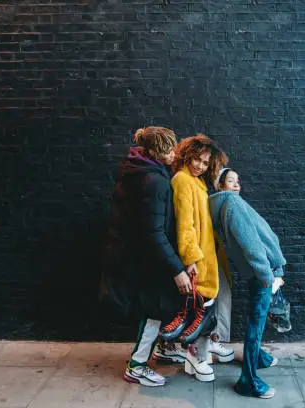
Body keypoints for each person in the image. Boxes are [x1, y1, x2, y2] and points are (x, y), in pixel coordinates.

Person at [100, 126, 194, 387]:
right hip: (145, 257)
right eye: (168, 149)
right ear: (154, 151)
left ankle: (162, 348)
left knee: (161, 304)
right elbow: (153, 232)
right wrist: (177, 270)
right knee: (154, 309)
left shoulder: (138, 169)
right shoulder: (154, 181)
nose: (173, 153)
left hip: (135, 253)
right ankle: (137, 366)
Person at [208, 168, 286, 399]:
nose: (236, 185)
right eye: (230, 181)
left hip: (259, 271)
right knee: (256, 324)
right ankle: (248, 381)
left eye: (237, 181)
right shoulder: (232, 203)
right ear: (220, 186)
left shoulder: (225, 205)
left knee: (256, 319)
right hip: (263, 273)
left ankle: (259, 357)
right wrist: (268, 275)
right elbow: (251, 245)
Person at [158, 134, 229, 382]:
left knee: (199, 311)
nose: (200, 165)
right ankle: (196, 359)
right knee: (198, 314)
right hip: (197, 261)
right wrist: (190, 260)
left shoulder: (196, 182)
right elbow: (184, 226)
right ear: (187, 155)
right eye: (196, 159)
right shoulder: (183, 181)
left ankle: (191, 356)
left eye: (205, 162)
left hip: (204, 258)